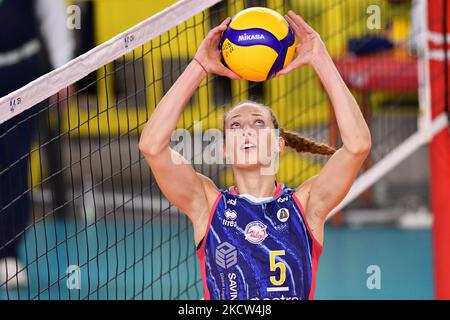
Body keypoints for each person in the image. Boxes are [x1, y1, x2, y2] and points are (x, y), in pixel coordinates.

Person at [139, 11, 371, 300]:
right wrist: (199, 66)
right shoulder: (207, 205)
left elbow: (358, 146)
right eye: (236, 125)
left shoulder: (307, 205)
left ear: (277, 144)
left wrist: (320, 59)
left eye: (258, 123)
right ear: (224, 148)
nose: (247, 130)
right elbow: (152, 146)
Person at [0, 0, 74, 288]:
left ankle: (7, 253)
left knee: (15, 164)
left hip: (20, 74)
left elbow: (52, 10)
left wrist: (64, 69)